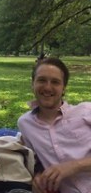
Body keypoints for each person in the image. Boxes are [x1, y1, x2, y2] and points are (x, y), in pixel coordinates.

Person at [18, 57, 91, 193]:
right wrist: (37, 179)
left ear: (63, 88)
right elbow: (36, 161)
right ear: (32, 84)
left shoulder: (86, 111)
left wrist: (74, 166)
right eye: (42, 80)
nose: (47, 87)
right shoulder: (25, 124)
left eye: (55, 82)